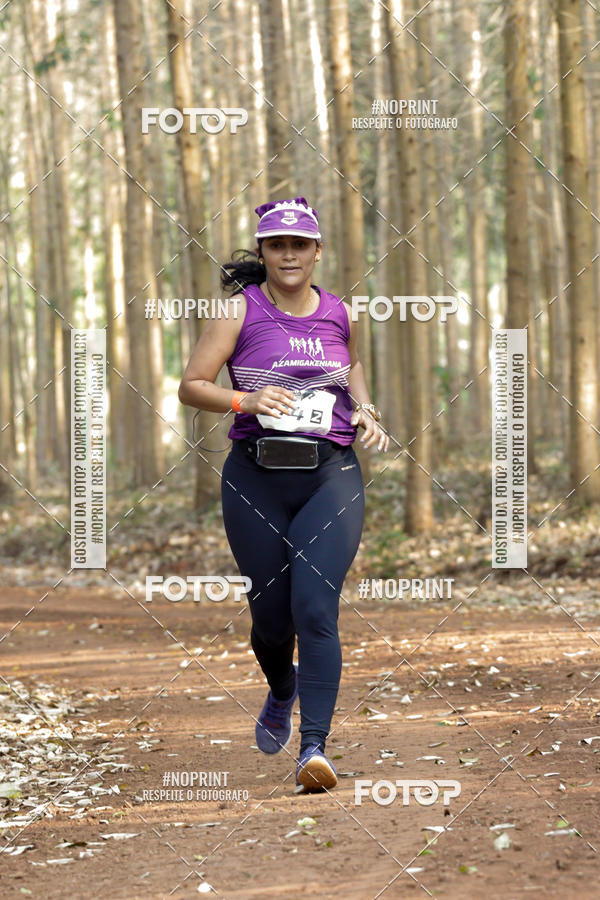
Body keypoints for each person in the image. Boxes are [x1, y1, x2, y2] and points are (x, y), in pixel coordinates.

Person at [178, 196, 389, 793]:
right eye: (277, 245)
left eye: (301, 245)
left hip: (331, 474)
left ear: (317, 251)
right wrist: (245, 400)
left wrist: (366, 410)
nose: (290, 254)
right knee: (271, 623)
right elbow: (191, 386)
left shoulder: (340, 312)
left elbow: (350, 371)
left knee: (315, 610)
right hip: (255, 479)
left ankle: (314, 749)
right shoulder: (237, 313)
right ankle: (281, 688)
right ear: (265, 252)